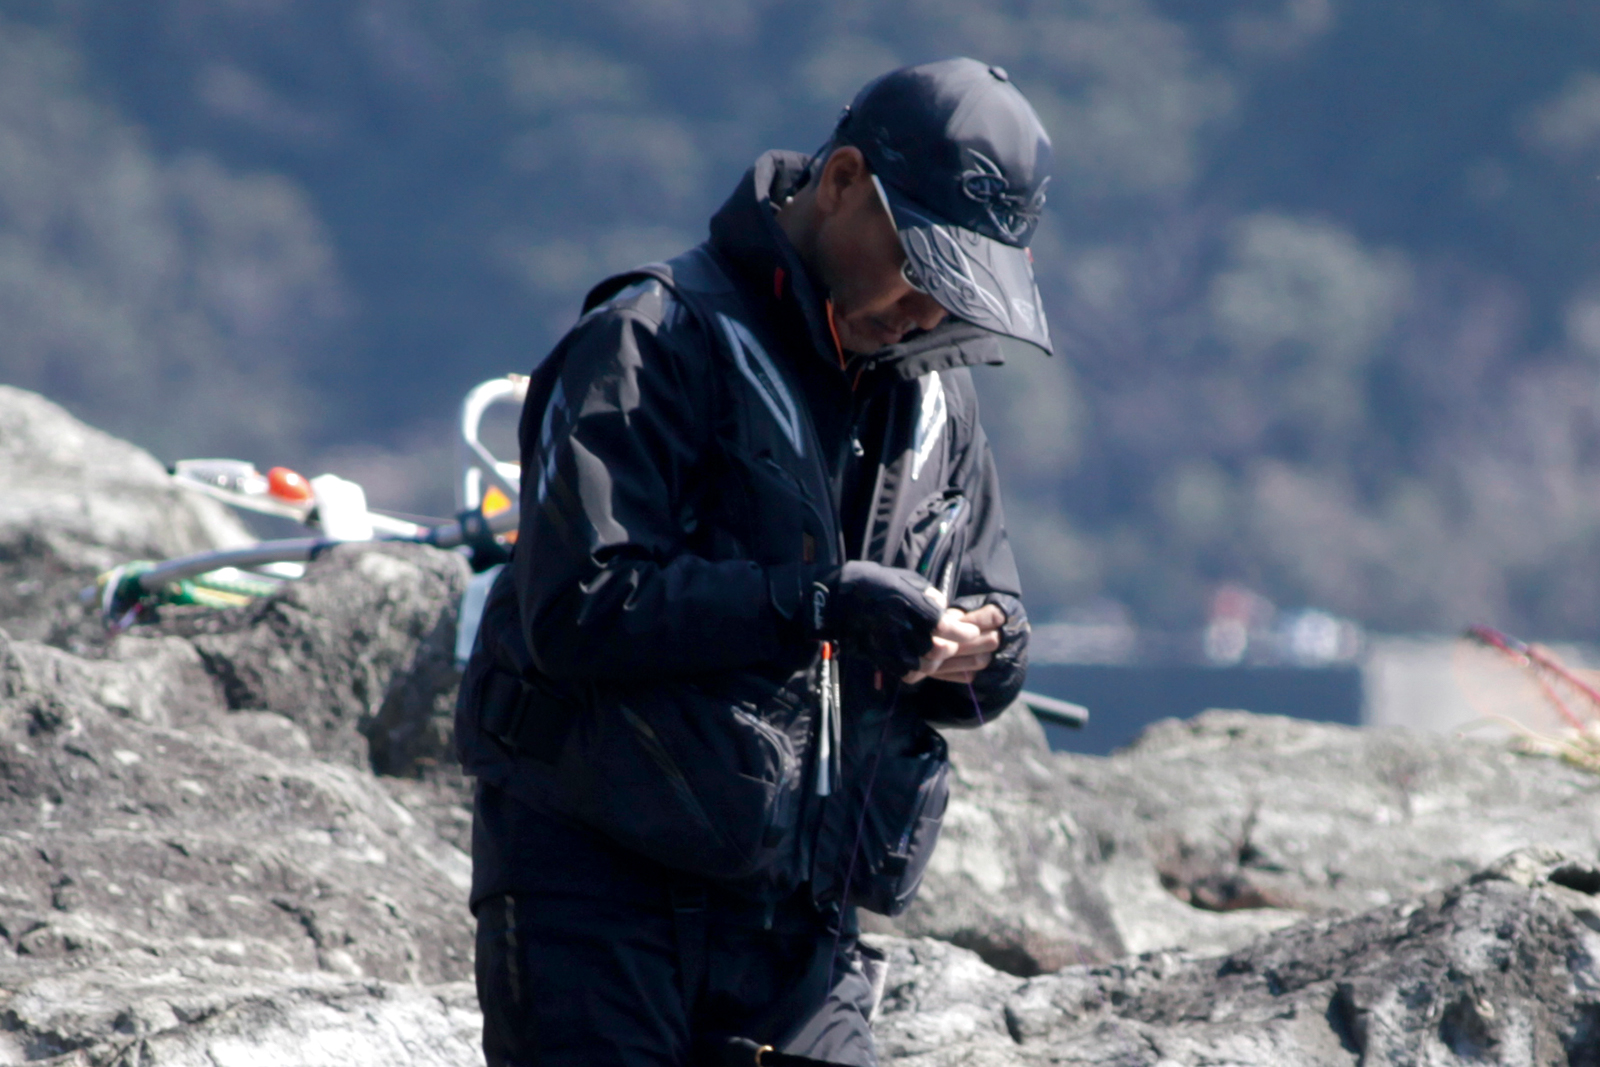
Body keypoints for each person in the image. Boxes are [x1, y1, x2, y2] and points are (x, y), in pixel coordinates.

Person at [456, 57, 1052, 1067]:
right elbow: (578, 605)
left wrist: (984, 648)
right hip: (592, 897)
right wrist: (816, 602)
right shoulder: (646, 339)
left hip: (799, 924)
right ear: (843, 182)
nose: (929, 310)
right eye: (925, 264)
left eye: (964, 288)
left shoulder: (940, 401)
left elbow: (995, 606)